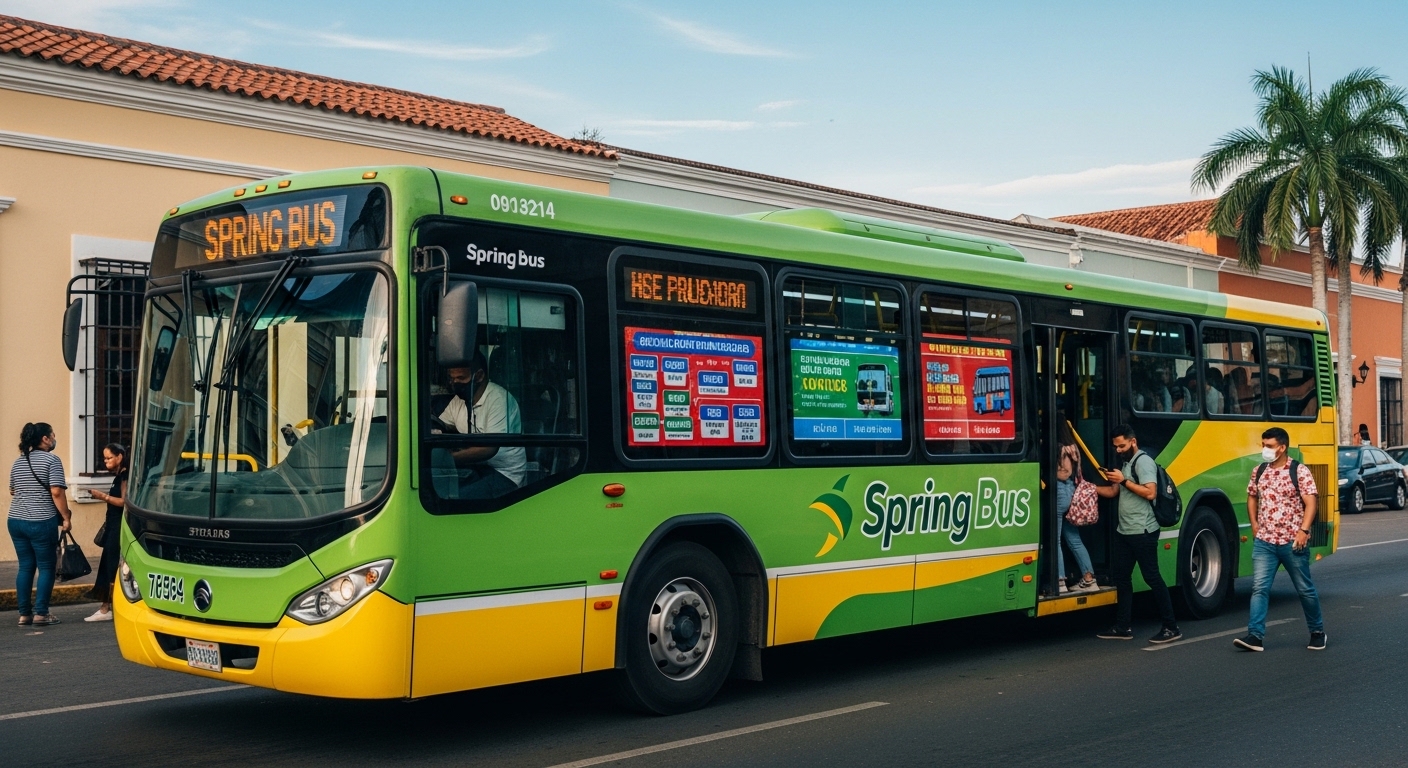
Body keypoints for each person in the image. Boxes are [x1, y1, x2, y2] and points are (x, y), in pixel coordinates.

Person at [1234, 427, 1325, 652]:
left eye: (1270, 446)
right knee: (1259, 588)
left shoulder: (1298, 471)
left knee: (1304, 589)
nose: (1265, 449)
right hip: (1265, 542)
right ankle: (1255, 636)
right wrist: (1254, 524)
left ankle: (1317, 632)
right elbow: (1252, 497)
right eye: (1263, 445)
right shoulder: (1259, 471)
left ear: (1282, 447)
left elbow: (1311, 502)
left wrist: (1303, 531)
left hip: (1292, 542)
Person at [1094, 424, 1181, 644]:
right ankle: (1123, 627)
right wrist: (1088, 488)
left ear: (1133, 442)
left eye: (1122, 446)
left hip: (1143, 531)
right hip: (1125, 530)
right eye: (1116, 447)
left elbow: (1150, 492)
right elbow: (1115, 492)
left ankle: (1171, 627)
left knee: (1153, 577)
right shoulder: (1127, 463)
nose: (1118, 450)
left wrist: (1123, 480)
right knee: (1122, 579)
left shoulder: (1143, 462)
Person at [8, 422, 72, 627]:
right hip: (40, 520)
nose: (54, 439)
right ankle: (41, 613)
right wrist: (66, 517)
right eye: (52, 435)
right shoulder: (52, 460)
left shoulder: (18, 462)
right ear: (45, 438)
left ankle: (24, 614)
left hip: (15, 520)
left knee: (25, 566)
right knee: (46, 567)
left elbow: (13, 490)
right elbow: (56, 492)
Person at [440, 351, 526, 498]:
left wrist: (447, 459)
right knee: (436, 490)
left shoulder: (498, 400)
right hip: (478, 468)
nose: (455, 384)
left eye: (461, 378)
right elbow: (443, 425)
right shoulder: (459, 400)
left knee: (454, 498)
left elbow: (488, 448)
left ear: (479, 376)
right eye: (452, 379)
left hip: (504, 474)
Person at [83, 443, 128, 622]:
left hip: (118, 527)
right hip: (112, 526)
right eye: (104, 458)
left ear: (120, 457)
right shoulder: (118, 476)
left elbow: (124, 501)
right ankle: (106, 606)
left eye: (109, 458)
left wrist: (103, 497)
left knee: (110, 566)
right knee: (107, 565)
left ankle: (106, 608)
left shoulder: (124, 476)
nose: (106, 461)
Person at [1055, 441, 1097, 593]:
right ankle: (1089, 580)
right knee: (1074, 539)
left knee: (1055, 540)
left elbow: (1063, 472)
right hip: (1071, 492)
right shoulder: (1072, 447)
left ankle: (1059, 581)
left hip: (1060, 493)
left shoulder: (1060, 447)